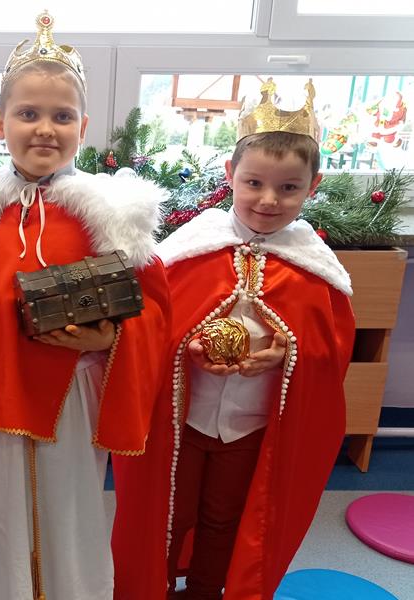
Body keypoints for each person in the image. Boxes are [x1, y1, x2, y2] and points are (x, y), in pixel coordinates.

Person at [0, 11, 171, 600]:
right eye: (27, 113)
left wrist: (111, 337)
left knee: (67, 515)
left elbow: (153, 310)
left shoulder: (112, 215)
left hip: (71, 396)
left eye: (61, 117)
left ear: (83, 127)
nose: (44, 129)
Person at [112, 79, 356, 600]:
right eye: (254, 183)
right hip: (185, 421)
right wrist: (187, 347)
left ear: (312, 186)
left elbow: (329, 355)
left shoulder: (316, 269)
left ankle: (205, 590)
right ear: (230, 175)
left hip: (249, 426)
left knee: (225, 517)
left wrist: (286, 354)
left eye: (288, 188)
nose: (268, 199)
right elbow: (148, 329)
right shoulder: (190, 249)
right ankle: (154, 588)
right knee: (168, 512)